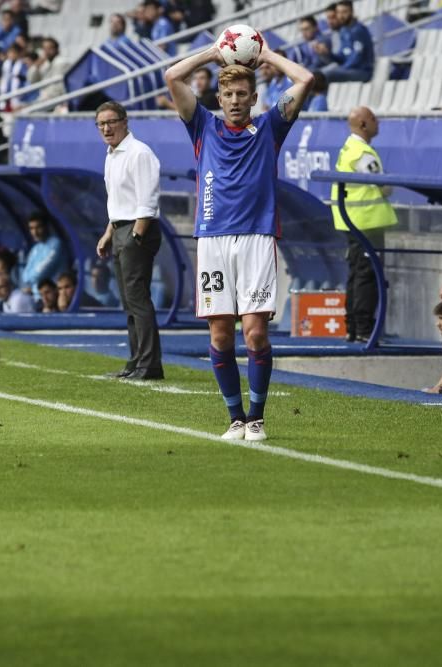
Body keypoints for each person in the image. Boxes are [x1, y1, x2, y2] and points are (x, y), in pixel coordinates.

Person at [164, 35, 314, 440]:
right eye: (228, 93)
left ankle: (257, 416)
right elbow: (172, 75)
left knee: (256, 333)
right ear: (219, 95)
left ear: (253, 97)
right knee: (219, 333)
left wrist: (266, 56)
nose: (234, 100)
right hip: (212, 241)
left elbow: (305, 79)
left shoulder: (270, 127)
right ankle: (234, 418)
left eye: (242, 93)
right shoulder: (202, 125)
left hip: (256, 238)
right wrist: (213, 53)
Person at [94, 100, 164, 382]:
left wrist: (136, 235)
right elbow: (117, 200)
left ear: (124, 121)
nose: (107, 128)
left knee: (138, 299)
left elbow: (147, 199)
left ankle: (149, 364)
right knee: (129, 302)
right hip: (121, 226)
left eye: (111, 122)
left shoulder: (139, 153)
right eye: (101, 124)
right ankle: (137, 360)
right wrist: (109, 233)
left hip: (138, 229)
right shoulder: (111, 155)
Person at [331, 106, 397, 343]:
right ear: (363, 125)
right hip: (366, 222)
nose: (377, 122)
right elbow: (383, 186)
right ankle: (364, 329)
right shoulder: (363, 153)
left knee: (356, 273)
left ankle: (353, 326)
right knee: (367, 276)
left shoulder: (348, 148)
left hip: (352, 221)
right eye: (373, 118)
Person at [316, 0, 373, 82]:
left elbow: (358, 58)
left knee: (326, 75)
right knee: (315, 75)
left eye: (344, 12)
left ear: (351, 12)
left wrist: (342, 68)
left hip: (362, 72)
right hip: (348, 70)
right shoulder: (344, 31)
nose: (341, 16)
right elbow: (341, 58)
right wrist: (327, 53)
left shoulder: (359, 30)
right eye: (339, 12)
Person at [20, 211, 66, 293]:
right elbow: (25, 275)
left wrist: (31, 285)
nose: (35, 232)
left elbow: (40, 274)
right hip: (38, 294)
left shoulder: (56, 244)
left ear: (46, 227)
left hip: (54, 294)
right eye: (31, 228)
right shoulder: (36, 248)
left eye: (38, 227)